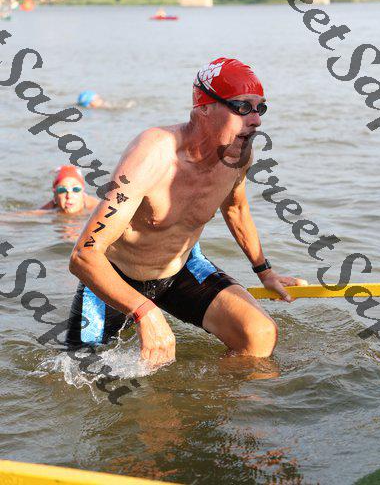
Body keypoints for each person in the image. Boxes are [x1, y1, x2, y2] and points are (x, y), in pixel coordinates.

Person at [68, 58, 305, 364]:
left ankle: (207, 393)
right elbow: (84, 255)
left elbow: (236, 209)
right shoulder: (153, 154)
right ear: (204, 108)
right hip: (117, 276)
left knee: (259, 335)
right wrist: (144, 311)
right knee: (81, 372)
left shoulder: (238, 156)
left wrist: (265, 272)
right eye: (242, 107)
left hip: (180, 268)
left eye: (260, 108)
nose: (256, 120)